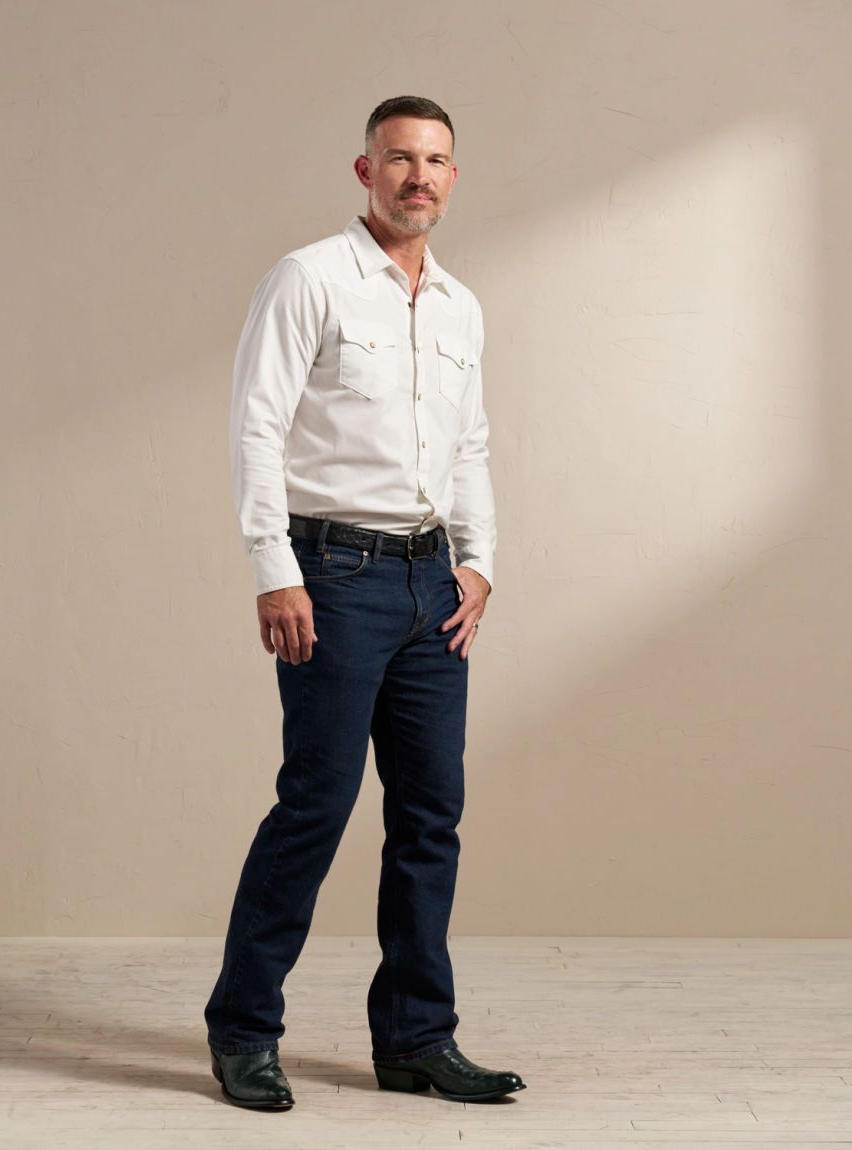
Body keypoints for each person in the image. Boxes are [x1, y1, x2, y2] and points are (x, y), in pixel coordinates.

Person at [204, 95, 525, 1110]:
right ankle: (243, 1031)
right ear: (364, 171)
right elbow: (256, 426)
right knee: (317, 803)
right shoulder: (309, 280)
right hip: (331, 579)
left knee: (431, 813)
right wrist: (273, 567)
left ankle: (415, 1038)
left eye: (433, 161)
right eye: (398, 159)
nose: (416, 177)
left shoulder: (462, 305)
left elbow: (467, 444)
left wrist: (479, 563)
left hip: (434, 586)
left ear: (451, 178)